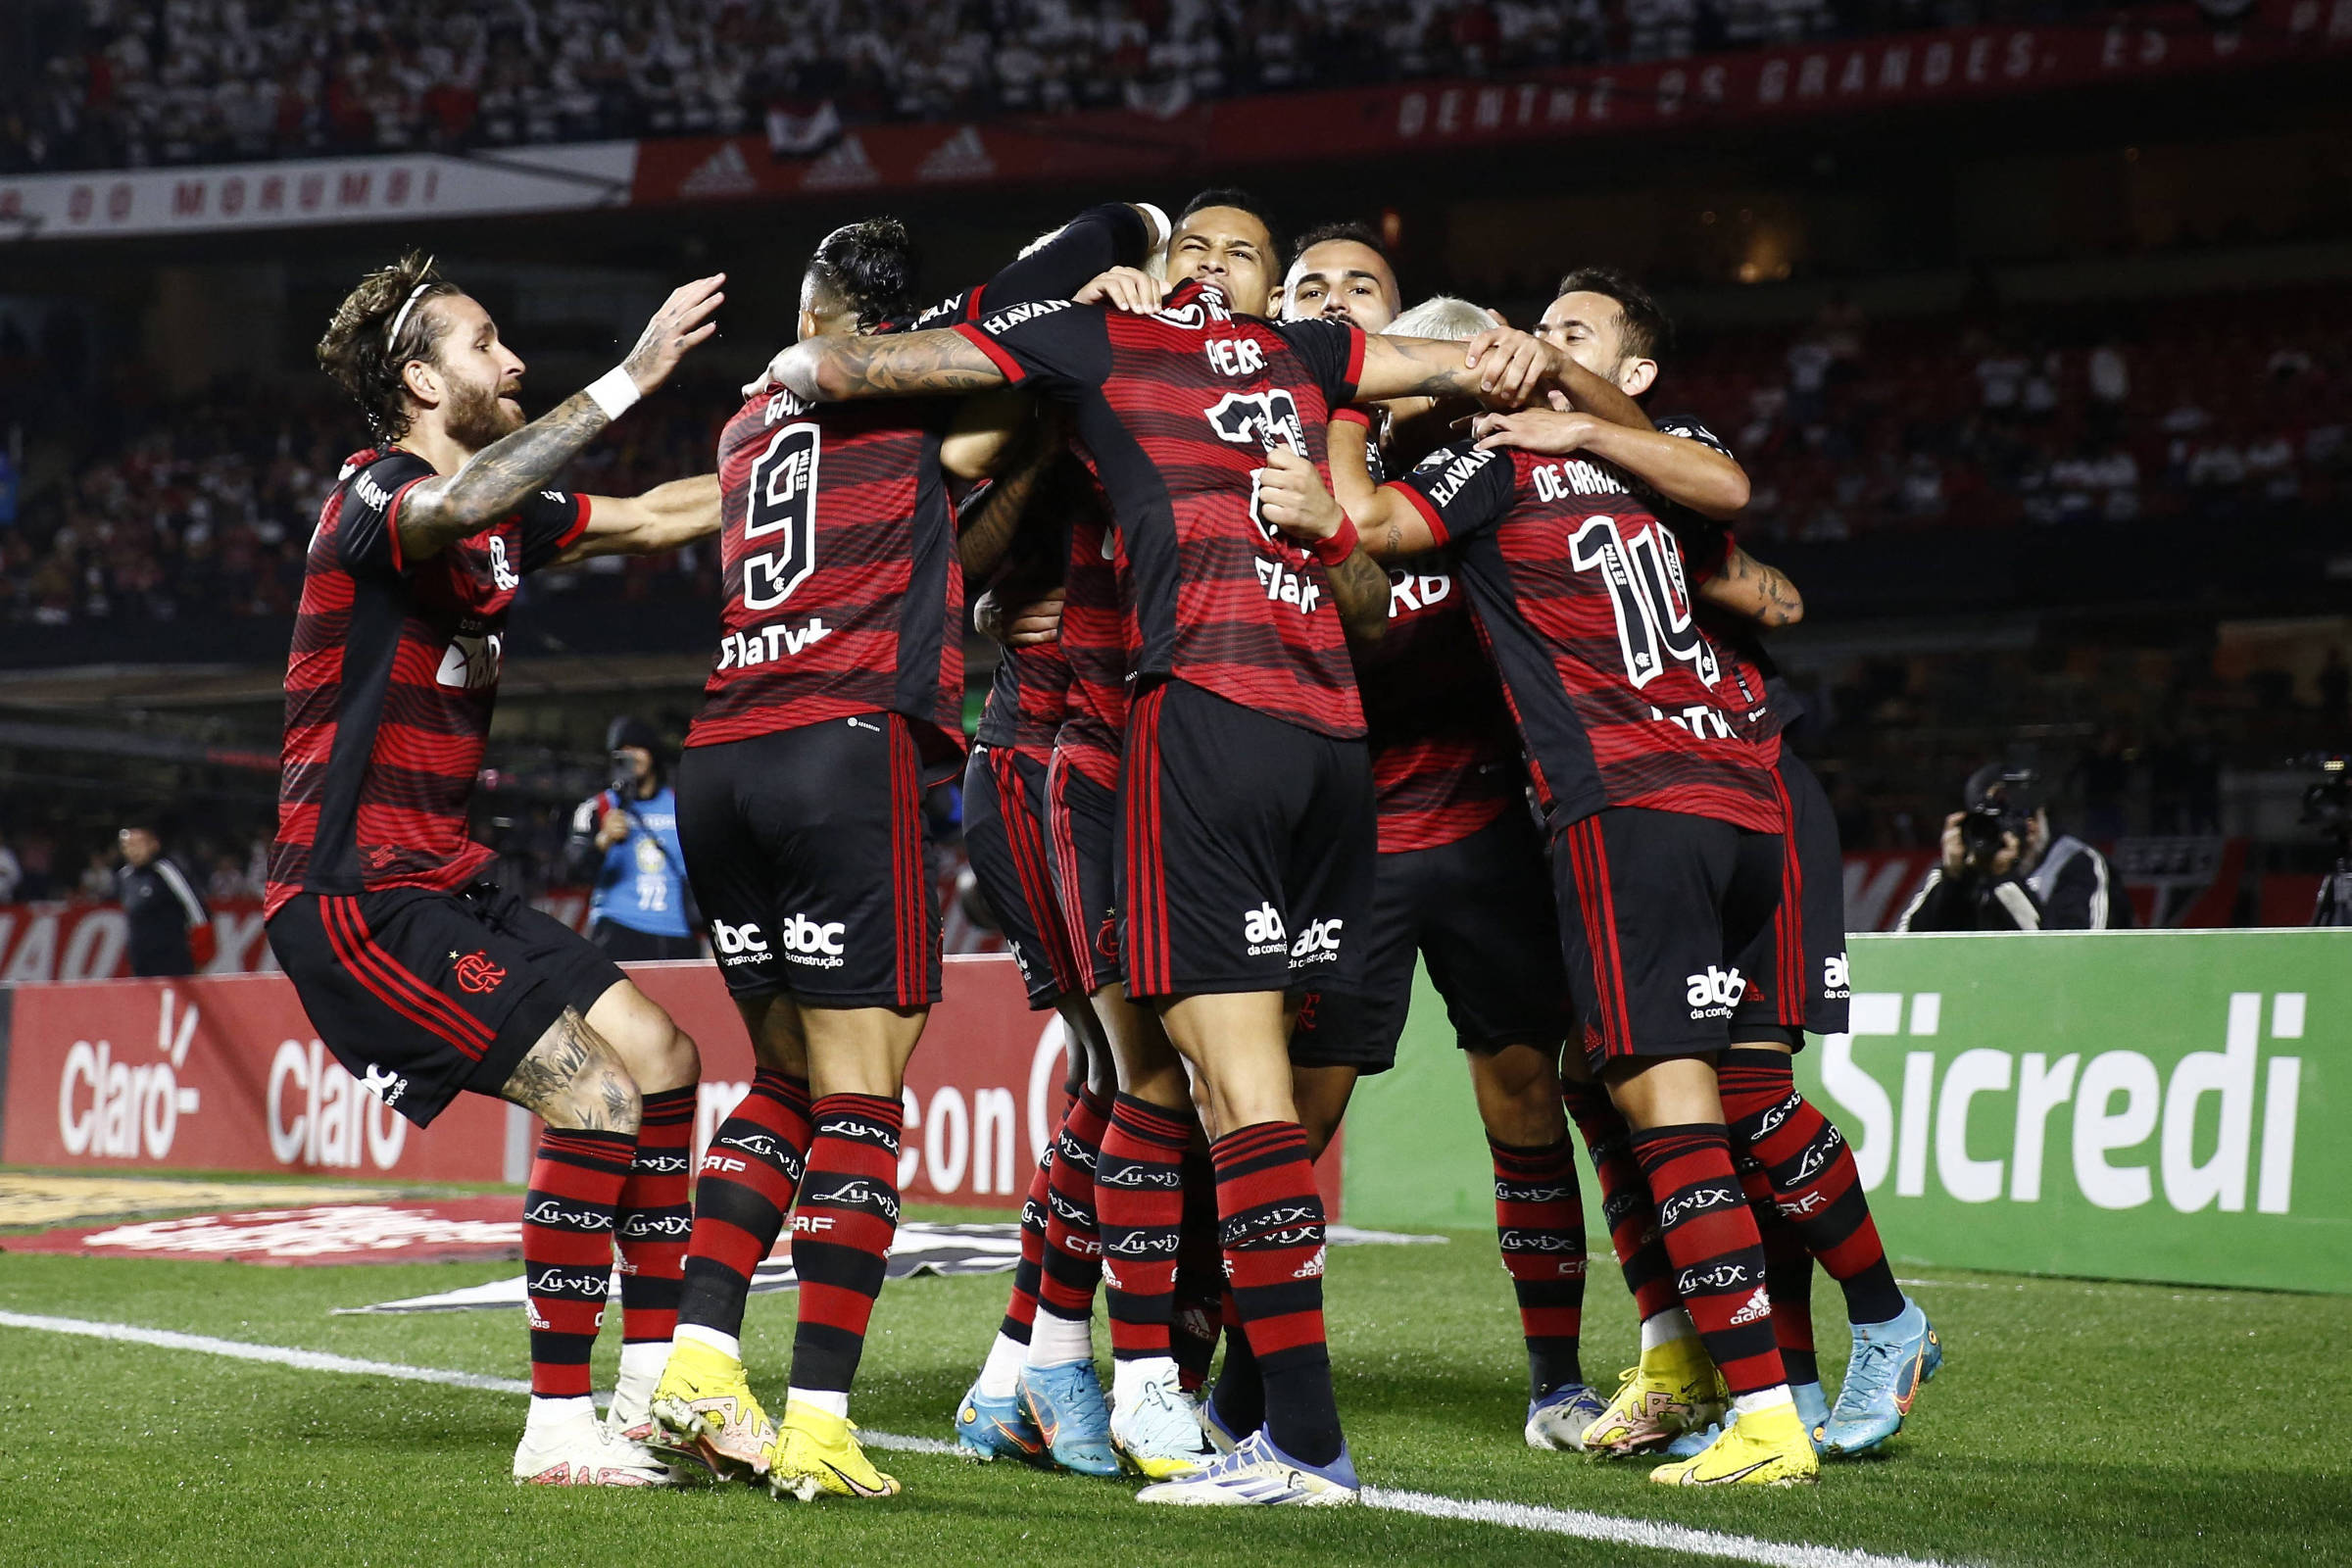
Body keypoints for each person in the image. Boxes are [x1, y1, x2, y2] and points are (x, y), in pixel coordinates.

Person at [762, 186, 1630, 1506]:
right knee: (1154, 1081)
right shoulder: (1107, 351)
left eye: (1251, 256)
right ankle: (1095, 1371)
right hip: (1075, 751)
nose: (1222, 268)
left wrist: (1511, 372)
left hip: (1251, 743)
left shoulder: (1310, 383)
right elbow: (951, 513)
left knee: (1188, 1087)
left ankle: (1146, 1389)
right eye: (1196, 251)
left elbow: (1378, 579)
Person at [653, 201, 1168, 1503]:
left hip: (720, 755)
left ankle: (700, 1360)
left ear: (820, 314)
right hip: (840, 748)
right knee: (866, 1094)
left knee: (779, 1079)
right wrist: (1110, 271)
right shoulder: (903, 405)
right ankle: (821, 1420)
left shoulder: (743, 427)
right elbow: (1013, 374)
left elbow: (939, 543)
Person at [1280, 270, 1829, 1488]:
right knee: (1676, 1103)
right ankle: (1742, 1377)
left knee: (1642, 1111)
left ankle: (1739, 1401)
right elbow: (1742, 529)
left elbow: (1362, 528)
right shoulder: (1629, 460)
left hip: (1596, 812)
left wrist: (1354, 413)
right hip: (1717, 795)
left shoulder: (1490, 468)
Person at [265, 250, 724, 1488]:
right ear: (420, 379)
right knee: (594, 1097)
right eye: (484, 344)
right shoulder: (372, 494)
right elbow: (451, 511)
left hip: (449, 875)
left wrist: (814, 456)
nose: (514, 360)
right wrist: (630, 377)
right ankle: (558, 1430)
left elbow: (661, 514)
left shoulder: (506, 519)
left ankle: (652, 1389)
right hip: (354, 892)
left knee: (667, 1059)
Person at [1896, 761, 2129, 931]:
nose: (2018, 830)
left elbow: (2076, 956)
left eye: (2026, 816)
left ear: (2042, 816)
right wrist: (1954, 879)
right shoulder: (1969, 864)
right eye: (1995, 821)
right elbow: (1906, 946)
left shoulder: (2076, 863)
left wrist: (2005, 878)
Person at [565, 716, 698, 960]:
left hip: (678, 932)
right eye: (622, 751)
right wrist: (603, 840)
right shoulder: (597, 808)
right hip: (618, 929)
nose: (631, 756)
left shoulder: (683, 805)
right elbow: (573, 873)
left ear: (652, 753)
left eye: (637, 747)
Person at [116, 824, 209, 977]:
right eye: (128, 845)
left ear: (154, 845)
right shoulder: (124, 877)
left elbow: (197, 912)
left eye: (138, 844)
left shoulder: (166, 871)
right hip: (141, 962)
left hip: (172, 959)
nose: (133, 850)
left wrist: (201, 956)